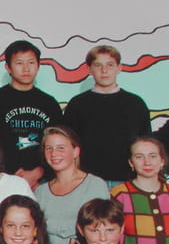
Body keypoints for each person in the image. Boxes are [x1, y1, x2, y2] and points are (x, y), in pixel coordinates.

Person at [0, 40, 62, 189]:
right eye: (19, 63)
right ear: (8, 67)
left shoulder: (49, 103)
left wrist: (39, 172)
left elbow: (60, 144)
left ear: (38, 66)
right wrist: (13, 176)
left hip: (43, 180)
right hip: (4, 178)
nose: (26, 68)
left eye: (31, 62)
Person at [64, 46, 151, 184]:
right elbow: (68, 145)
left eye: (110, 65)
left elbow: (146, 143)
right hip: (87, 180)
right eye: (98, 65)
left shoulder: (136, 103)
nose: (104, 70)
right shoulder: (77, 104)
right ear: (89, 69)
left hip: (127, 180)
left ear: (119, 68)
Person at [34, 125, 109, 244]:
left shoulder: (94, 185)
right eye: (49, 148)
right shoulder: (40, 192)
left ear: (75, 152)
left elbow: (102, 229)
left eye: (61, 148)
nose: (54, 153)